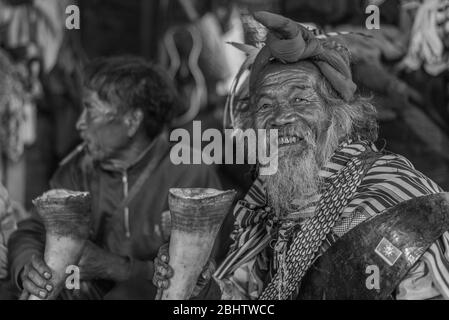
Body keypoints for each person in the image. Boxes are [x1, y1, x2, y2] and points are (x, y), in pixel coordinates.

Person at [153, 12, 449, 300]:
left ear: (338, 114)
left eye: (300, 99)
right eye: (266, 106)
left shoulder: (395, 202)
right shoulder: (268, 199)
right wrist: (202, 289)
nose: (281, 117)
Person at [7, 56, 223, 300]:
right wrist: (28, 267)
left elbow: (196, 279)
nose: (79, 124)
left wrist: (114, 267)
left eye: (91, 111)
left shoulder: (190, 172)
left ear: (132, 121)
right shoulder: (79, 167)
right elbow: (32, 232)